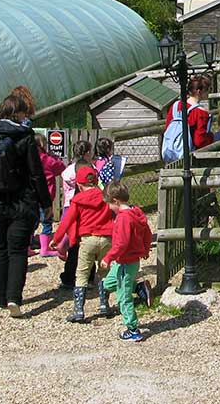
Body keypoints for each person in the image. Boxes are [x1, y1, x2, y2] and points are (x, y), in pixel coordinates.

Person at [0, 93, 52, 317]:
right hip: (21, 201)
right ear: (17, 114)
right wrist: (45, 203)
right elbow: (36, 174)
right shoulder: (24, 135)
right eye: (24, 112)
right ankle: (14, 298)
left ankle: (0, 297)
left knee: (0, 249)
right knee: (17, 250)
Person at [50, 166, 115, 323]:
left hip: (87, 240)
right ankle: (104, 304)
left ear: (79, 185)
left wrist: (57, 239)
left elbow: (67, 221)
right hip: (106, 238)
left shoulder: (78, 200)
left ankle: (79, 310)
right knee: (104, 271)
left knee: (82, 274)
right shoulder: (104, 197)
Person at [100, 182, 153, 343]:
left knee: (123, 297)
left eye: (109, 204)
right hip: (128, 260)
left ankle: (133, 329)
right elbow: (147, 233)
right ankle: (139, 287)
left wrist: (108, 257)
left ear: (115, 201)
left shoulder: (123, 218)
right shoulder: (136, 213)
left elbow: (121, 244)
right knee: (108, 284)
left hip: (125, 260)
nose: (108, 208)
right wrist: (144, 249)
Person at [57, 140, 93, 289]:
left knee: (75, 241)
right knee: (81, 243)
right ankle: (87, 277)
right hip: (82, 206)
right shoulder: (88, 169)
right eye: (90, 152)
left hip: (71, 204)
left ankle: (70, 277)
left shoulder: (69, 170)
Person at [164, 75, 214, 153]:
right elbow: (199, 141)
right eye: (207, 90)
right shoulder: (200, 112)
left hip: (171, 151)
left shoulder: (176, 105)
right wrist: (211, 138)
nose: (208, 92)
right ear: (199, 92)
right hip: (190, 154)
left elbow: (168, 127)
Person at [33, 133, 64, 257]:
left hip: (32, 196)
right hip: (46, 196)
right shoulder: (48, 160)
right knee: (46, 221)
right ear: (42, 145)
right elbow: (62, 167)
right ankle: (45, 249)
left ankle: (27, 247)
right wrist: (55, 157)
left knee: (31, 222)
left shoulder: (29, 159)